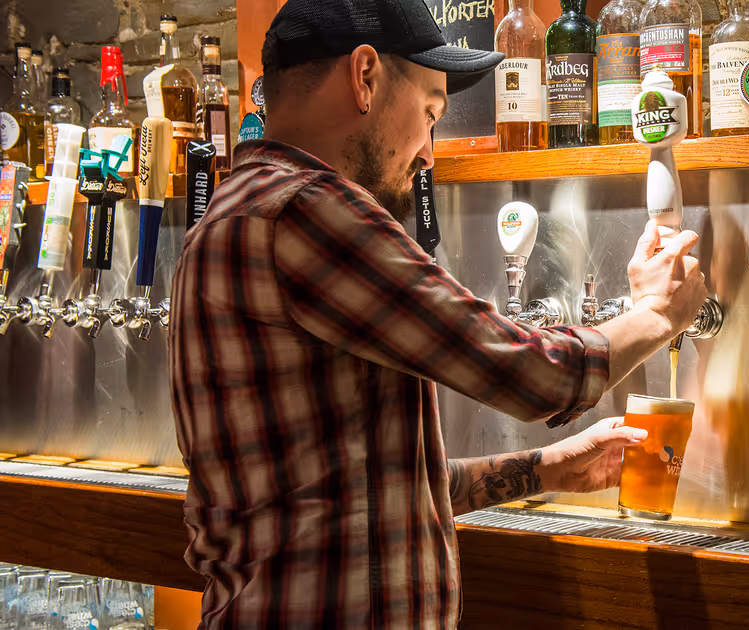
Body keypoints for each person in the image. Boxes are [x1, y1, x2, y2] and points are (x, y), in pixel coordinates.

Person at [167, 0, 707, 626]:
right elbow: (537, 376)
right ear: (364, 77)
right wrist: (658, 313)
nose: (428, 152)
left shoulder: (236, 210)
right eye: (430, 113)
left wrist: (545, 468)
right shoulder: (307, 210)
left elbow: (369, 492)